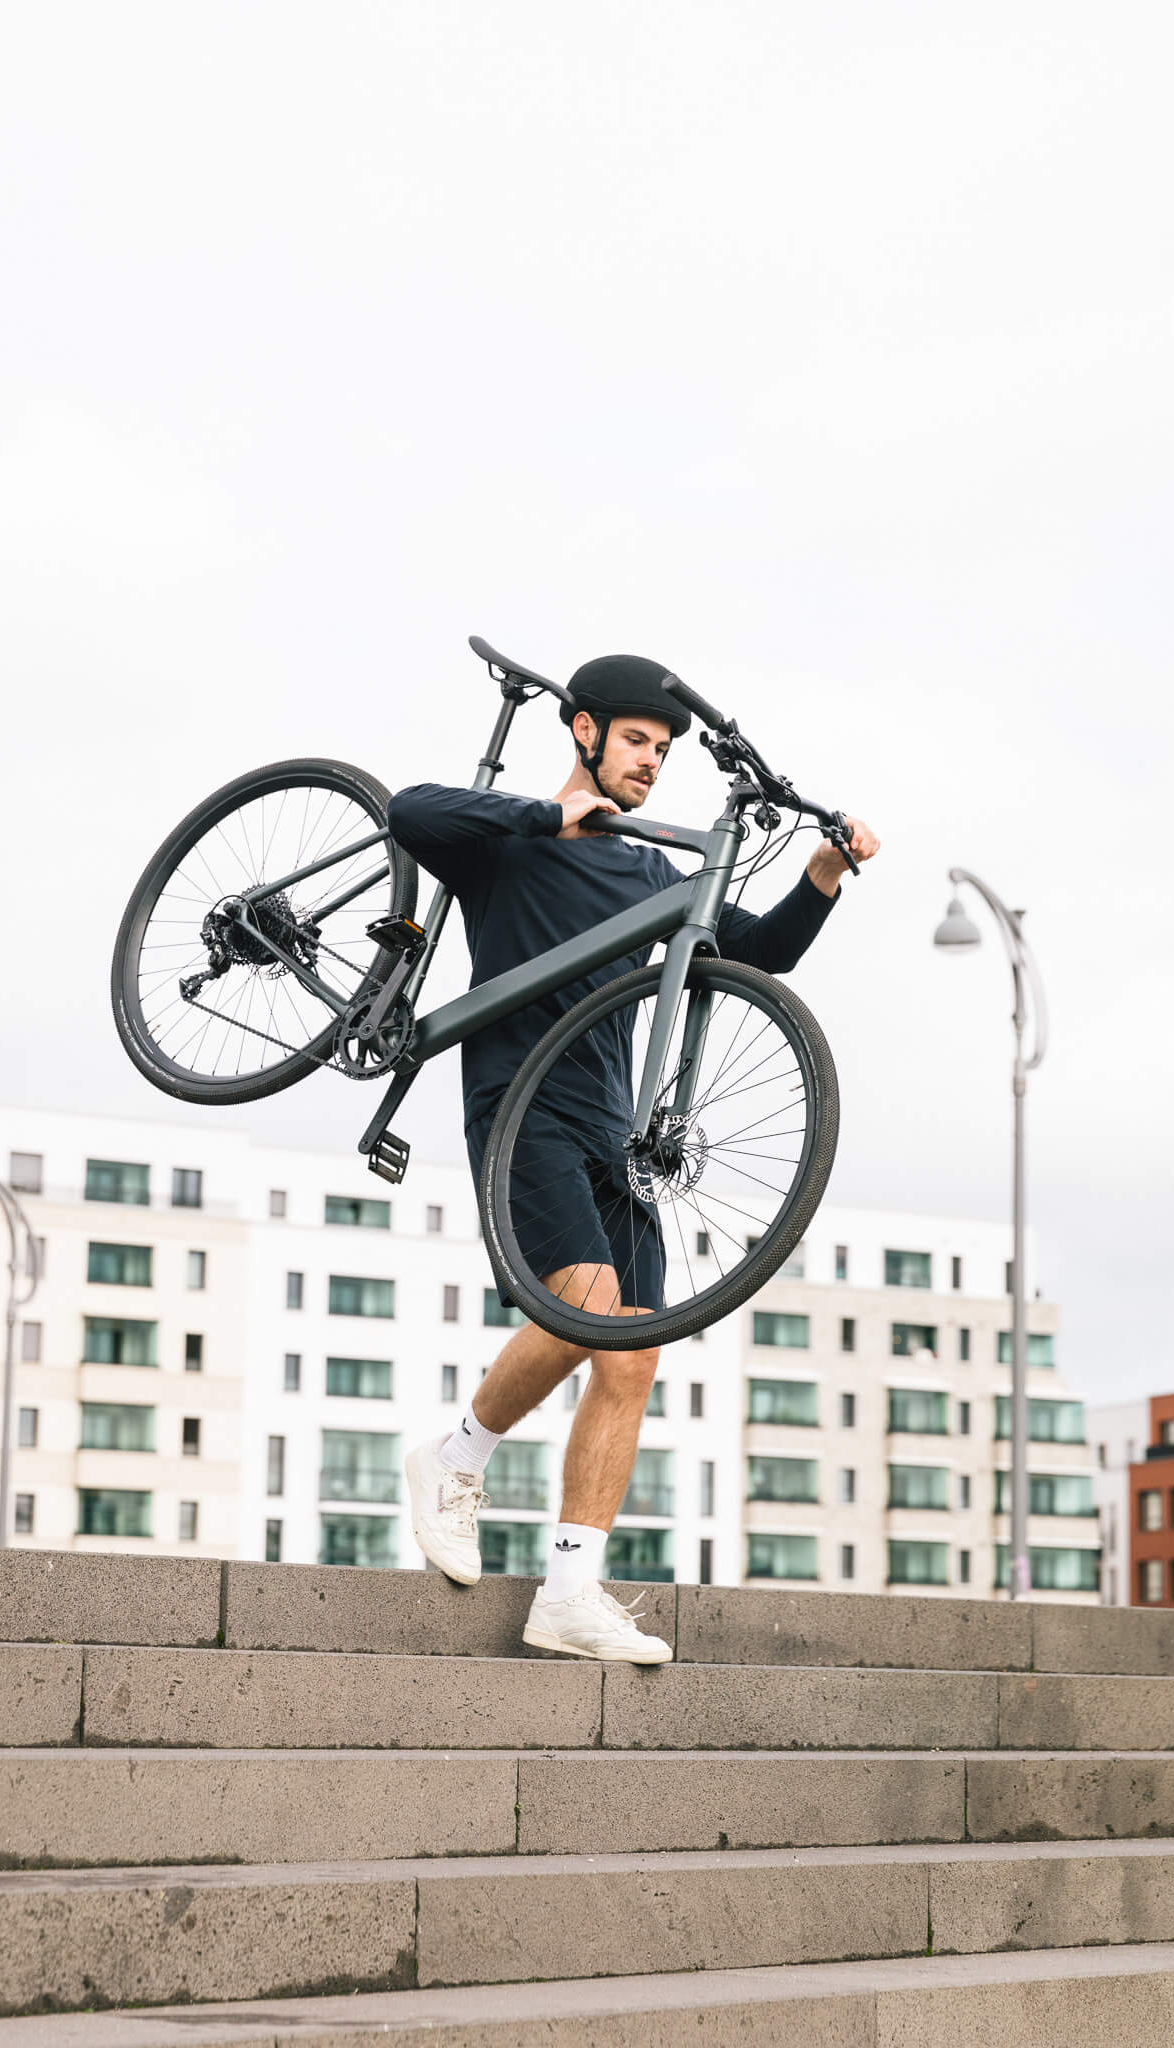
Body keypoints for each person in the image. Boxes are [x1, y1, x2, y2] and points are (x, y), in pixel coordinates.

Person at [390, 654, 879, 1661]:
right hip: (522, 1101)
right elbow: (410, 811)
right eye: (638, 742)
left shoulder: (655, 872)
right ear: (583, 730)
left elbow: (759, 953)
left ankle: (569, 1588)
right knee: (583, 1303)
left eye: (663, 751)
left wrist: (823, 876)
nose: (653, 764)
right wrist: (540, 817)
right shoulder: (515, 844)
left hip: (617, 1127)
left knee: (633, 1350)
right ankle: (453, 1456)